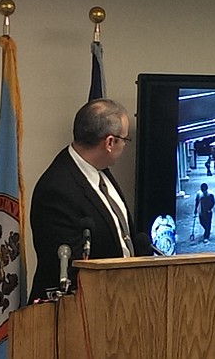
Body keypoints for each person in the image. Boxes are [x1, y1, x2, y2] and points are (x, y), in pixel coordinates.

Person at [28, 98, 145, 303]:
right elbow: (68, 269)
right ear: (110, 142)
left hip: (124, 303)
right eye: (125, 139)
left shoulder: (100, 171)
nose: (125, 145)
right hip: (82, 312)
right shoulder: (57, 189)